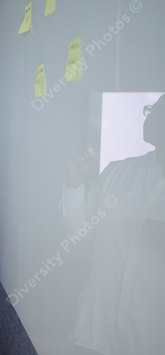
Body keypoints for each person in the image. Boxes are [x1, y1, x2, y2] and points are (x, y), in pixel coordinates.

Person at [60, 94, 165, 354]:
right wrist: (74, 183)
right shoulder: (118, 171)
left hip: (151, 336)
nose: (150, 116)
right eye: (151, 109)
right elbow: (80, 233)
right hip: (96, 332)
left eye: (158, 111)